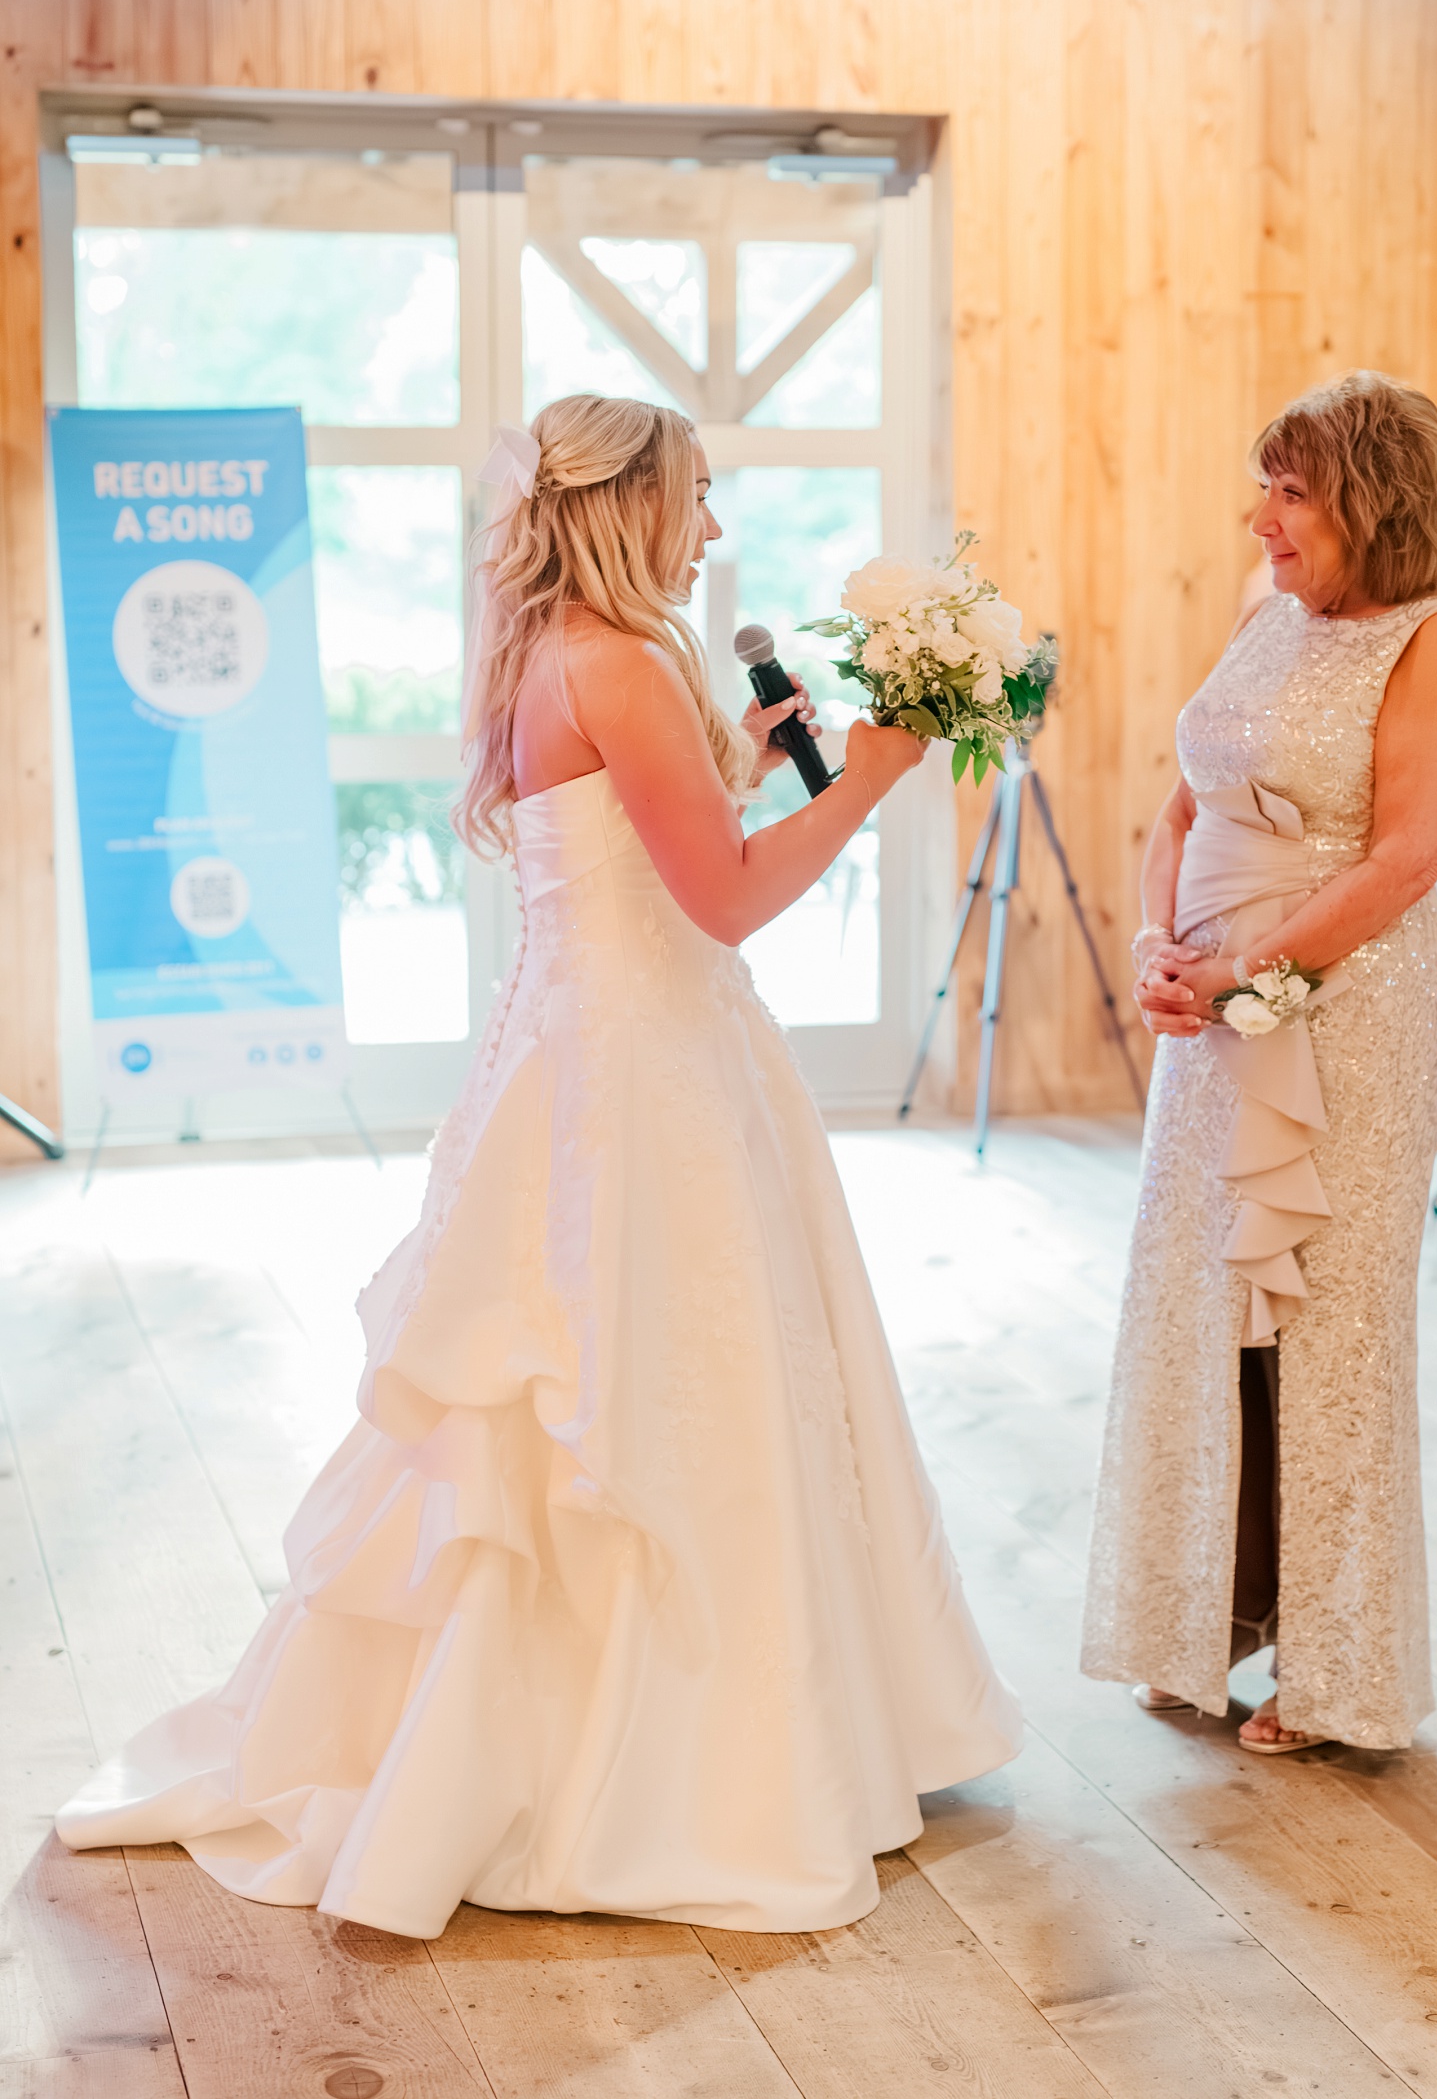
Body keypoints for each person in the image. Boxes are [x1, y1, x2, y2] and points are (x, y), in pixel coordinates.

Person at [57, 395, 1021, 1937]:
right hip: (645, 1072)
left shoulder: (555, 647)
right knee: (657, 1387)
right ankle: (671, 1765)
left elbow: (638, 842)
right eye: (697, 497)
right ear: (632, 504)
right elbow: (723, 898)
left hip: (602, 1048)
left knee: (604, 1388)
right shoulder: (621, 660)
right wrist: (867, 777)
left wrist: (740, 750)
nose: (713, 528)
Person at [1081, 371, 1437, 1755]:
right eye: (1264, 487)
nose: (1261, 518)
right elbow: (1181, 808)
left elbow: (1408, 854)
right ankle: (1203, 1617)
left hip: (1347, 1009)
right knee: (1201, 1301)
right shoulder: (1267, 617)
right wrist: (1158, 944)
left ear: (1369, 501)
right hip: (1210, 1013)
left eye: (1291, 491)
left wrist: (1251, 974)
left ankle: (1332, 1669)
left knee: (1328, 1325)